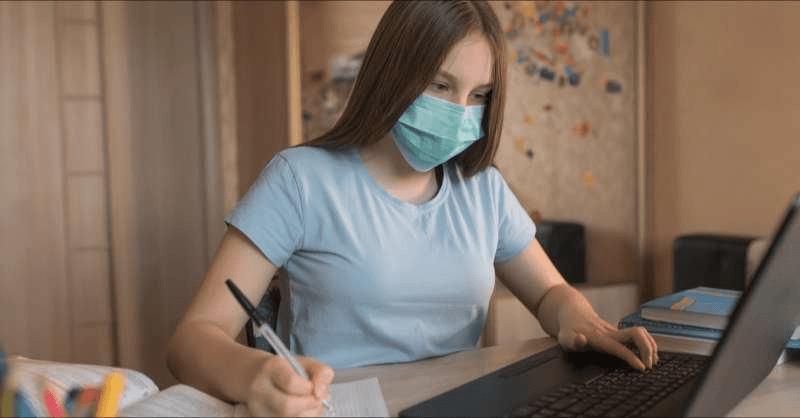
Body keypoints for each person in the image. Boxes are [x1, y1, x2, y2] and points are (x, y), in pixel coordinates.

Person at [166, 1, 658, 416]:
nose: (459, 112)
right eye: (440, 86)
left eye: (478, 95)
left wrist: (578, 315)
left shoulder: (483, 190)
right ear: (390, 73)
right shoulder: (300, 179)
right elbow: (191, 341)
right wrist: (255, 376)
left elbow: (549, 291)